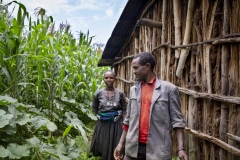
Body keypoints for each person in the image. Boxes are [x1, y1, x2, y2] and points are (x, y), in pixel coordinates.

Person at [114, 52, 188, 160]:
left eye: (136, 68)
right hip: (133, 148)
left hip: (158, 150)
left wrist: (181, 149)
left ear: (147, 67)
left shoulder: (169, 89)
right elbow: (128, 120)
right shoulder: (134, 90)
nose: (134, 72)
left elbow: (177, 121)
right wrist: (121, 144)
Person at [90, 70, 127, 160]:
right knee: (104, 142)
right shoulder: (98, 94)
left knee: (116, 143)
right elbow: (95, 108)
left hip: (117, 124)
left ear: (115, 79)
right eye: (106, 78)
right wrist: (104, 116)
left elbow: (124, 109)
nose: (108, 80)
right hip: (103, 124)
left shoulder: (120, 94)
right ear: (103, 79)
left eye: (111, 77)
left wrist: (124, 123)